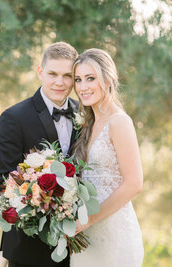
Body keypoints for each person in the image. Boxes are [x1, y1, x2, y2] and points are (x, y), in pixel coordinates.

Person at [0, 42, 79, 267]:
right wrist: (42, 198)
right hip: (28, 249)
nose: (60, 82)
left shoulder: (84, 113)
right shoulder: (13, 117)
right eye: (53, 74)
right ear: (40, 72)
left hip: (77, 248)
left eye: (67, 75)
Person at [69, 48, 144, 266]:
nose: (83, 87)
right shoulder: (87, 124)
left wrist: (90, 219)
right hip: (85, 237)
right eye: (78, 79)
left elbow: (134, 184)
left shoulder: (119, 122)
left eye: (90, 78)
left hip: (114, 234)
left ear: (109, 78)